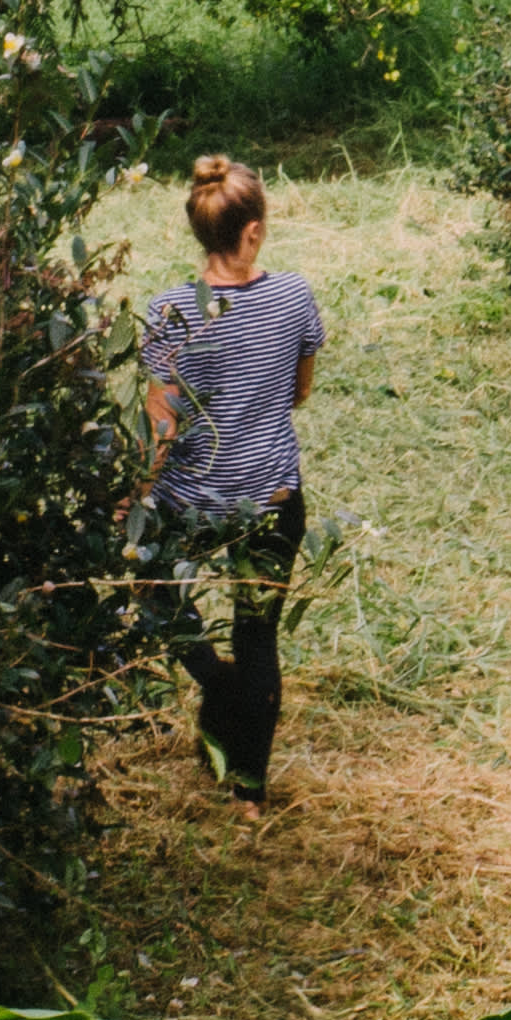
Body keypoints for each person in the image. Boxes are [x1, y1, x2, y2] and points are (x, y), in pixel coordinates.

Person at [136, 152, 323, 807]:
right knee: (258, 632)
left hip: (193, 505)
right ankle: (248, 787)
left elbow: (160, 430)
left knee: (150, 586)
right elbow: (298, 393)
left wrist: (132, 503)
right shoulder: (295, 296)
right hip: (273, 498)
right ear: (253, 232)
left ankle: (215, 682)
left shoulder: (169, 313)